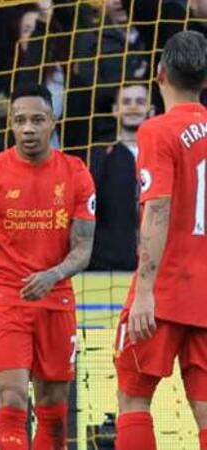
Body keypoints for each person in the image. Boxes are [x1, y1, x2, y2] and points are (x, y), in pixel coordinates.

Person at [0, 84, 96, 450]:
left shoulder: (76, 173)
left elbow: (83, 249)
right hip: (6, 301)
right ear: (11, 125)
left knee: (53, 408)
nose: (28, 129)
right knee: (12, 396)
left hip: (57, 301)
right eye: (20, 121)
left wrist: (53, 274)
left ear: (52, 122)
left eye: (37, 120)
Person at [113, 30, 207, 450]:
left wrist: (145, 292)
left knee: (133, 398)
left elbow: (158, 208)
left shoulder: (157, 130)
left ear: (160, 73)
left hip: (165, 291)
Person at [89, 82, 152, 271]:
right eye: (126, 102)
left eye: (140, 102)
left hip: (158, 261)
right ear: (115, 110)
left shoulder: (163, 153)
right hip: (108, 264)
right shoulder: (98, 154)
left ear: (151, 110)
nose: (133, 107)